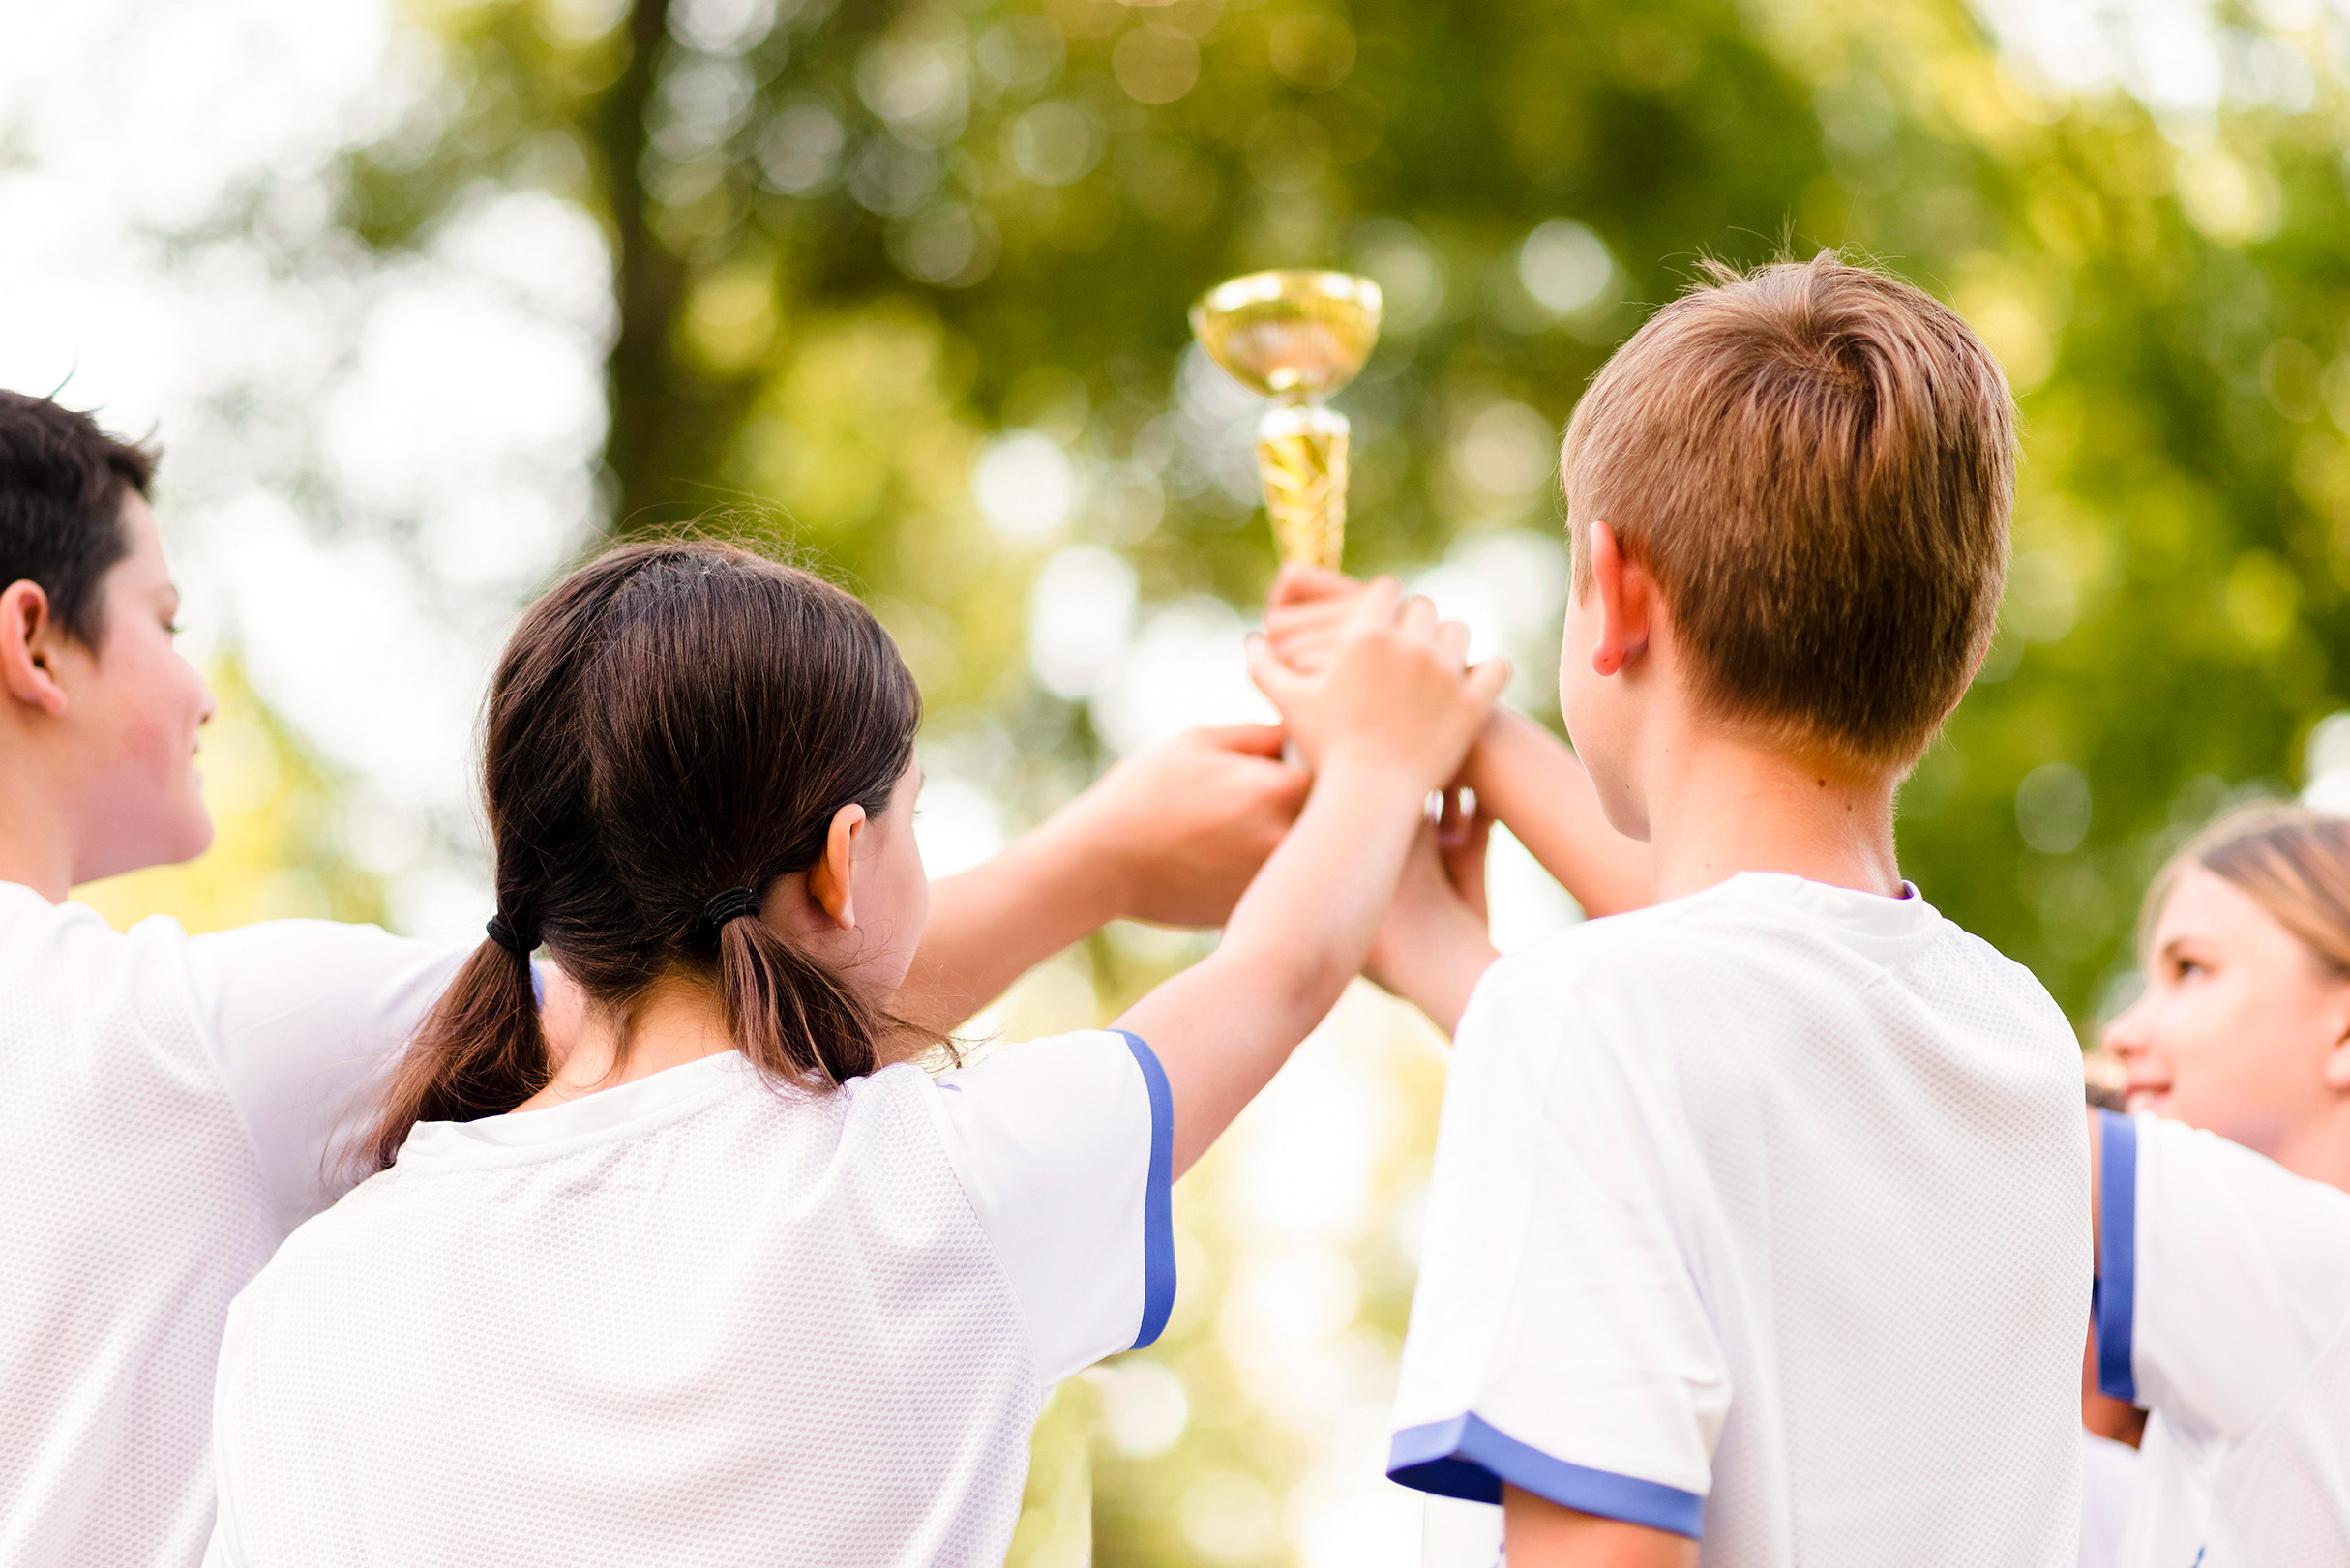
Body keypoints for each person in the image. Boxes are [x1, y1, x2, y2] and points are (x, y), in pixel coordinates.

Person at [0, 391, 1316, 1568]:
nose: (201, 688)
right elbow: (693, 979)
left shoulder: (301, 1304)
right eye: (166, 620)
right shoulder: (163, 1044)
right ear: (33, 641)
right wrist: (1114, 857)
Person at [200, 540, 1504, 1566]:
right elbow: (1274, 975)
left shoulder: (306, 1295)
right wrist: (1379, 760)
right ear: (841, 860)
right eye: (913, 819)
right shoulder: (939, 1188)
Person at [1264, 253, 2090, 1565]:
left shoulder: (1589, 1017)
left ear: (1617, 586)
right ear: (1964, 638)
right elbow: (1757, 1023)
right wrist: (1440, 934)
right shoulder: (2019, 1034)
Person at [2085, 803, 2350, 1566]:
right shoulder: (2241, 1321)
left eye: (2189, 969)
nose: (2123, 1031)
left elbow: (1983, 1123)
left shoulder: (2312, 1276)